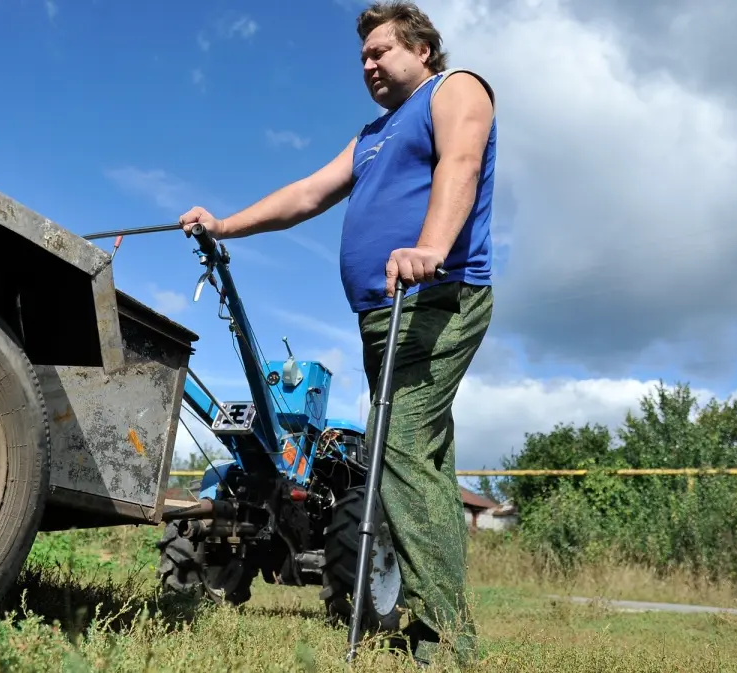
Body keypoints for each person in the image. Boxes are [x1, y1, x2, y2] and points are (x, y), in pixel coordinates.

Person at [178, 0, 495, 666]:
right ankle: (446, 622)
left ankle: (442, 638)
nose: (368, 64)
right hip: (384, 316)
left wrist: (430, 244)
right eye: (362, 57)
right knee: (424, 463)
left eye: (381, 51)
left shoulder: (456, 89)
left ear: (422, 51)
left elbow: (460, 166)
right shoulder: (372, 134)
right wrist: (226, 225)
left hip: (436, 298)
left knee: (399, 448)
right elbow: (307, 193)